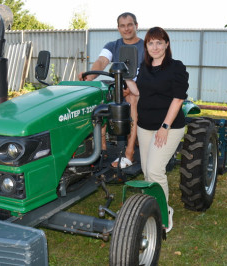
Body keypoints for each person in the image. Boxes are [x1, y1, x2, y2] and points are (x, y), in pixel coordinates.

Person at [126, 27, 189, 233]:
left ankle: (164, 211)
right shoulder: (145, 67)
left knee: (155, 170)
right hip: (145, 126)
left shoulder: (176, 67)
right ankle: (150, 207)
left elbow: (178, 98)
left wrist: (165, 126)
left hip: (168, 127)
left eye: (159, 43)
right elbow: (139, 91)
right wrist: (124, 77)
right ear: (146, 46)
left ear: (166, 45)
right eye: (151, 43)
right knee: (147, 171)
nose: (155, 47)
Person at [79, 12, 143, 169]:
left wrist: (132, 89)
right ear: (118, 28)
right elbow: (101, 61)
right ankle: (101, 148)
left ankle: (129, 153)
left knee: (130, 100)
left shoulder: (145, 46)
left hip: (140, 90)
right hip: (119, 87)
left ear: (136, 26)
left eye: (130, 25)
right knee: (99, 98)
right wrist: (89, 77)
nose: (126, 29)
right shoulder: (113, 46)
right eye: (122, 25)